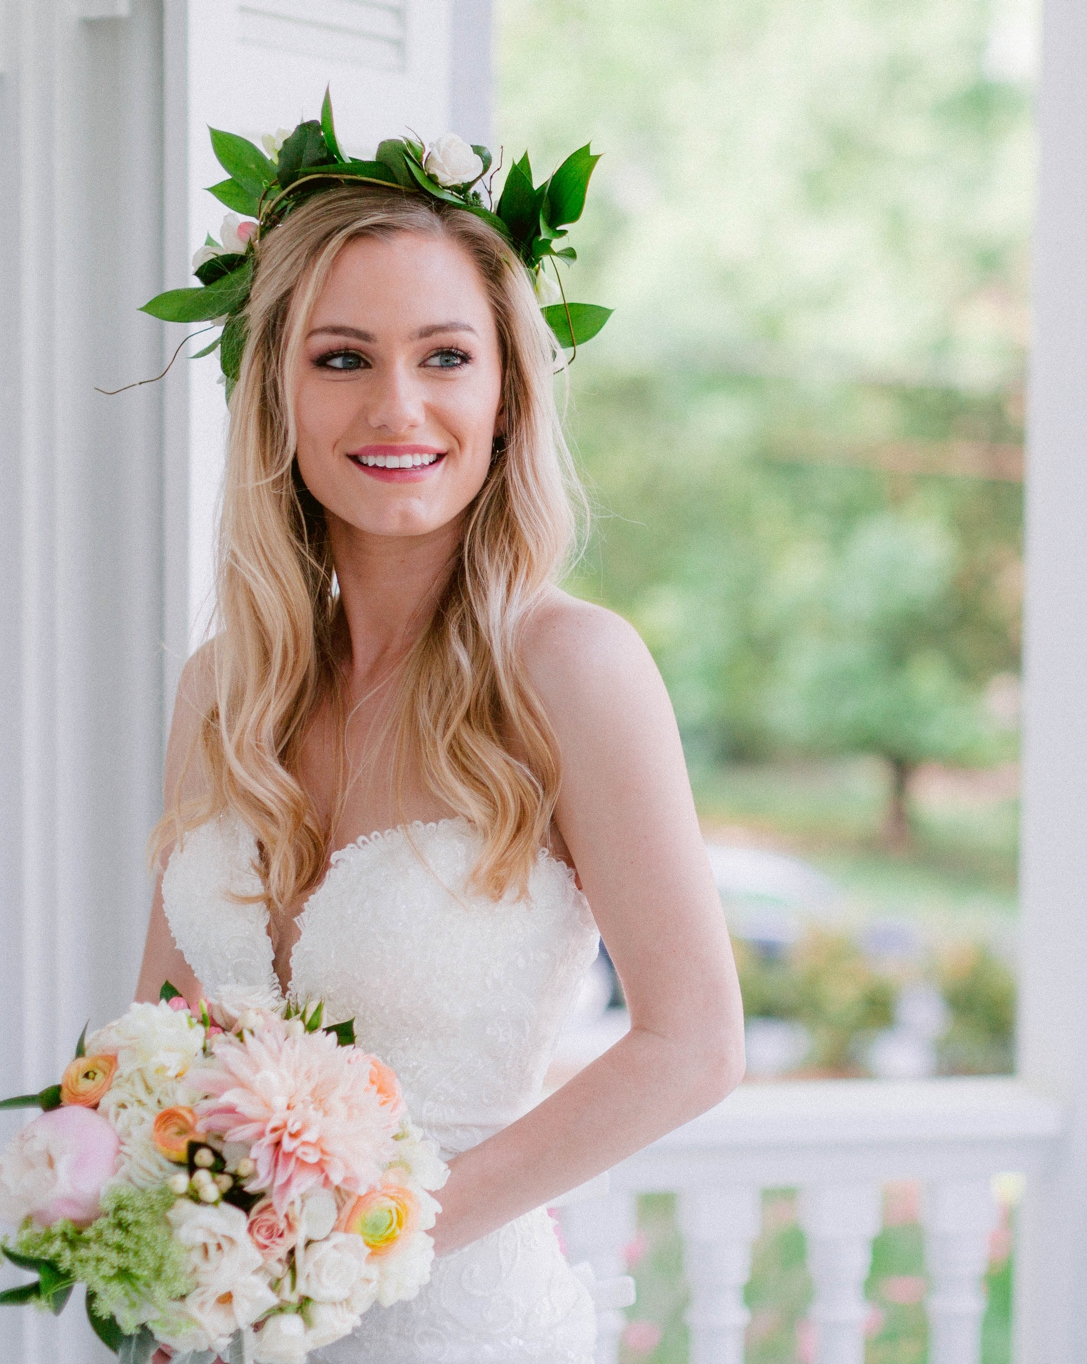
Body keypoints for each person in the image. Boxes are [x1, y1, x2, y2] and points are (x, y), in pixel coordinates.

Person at [131, 154, 745, 1360]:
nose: (397, 408)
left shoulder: (573, 670)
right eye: (344, 357)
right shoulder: (221, 689)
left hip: (462, 1326)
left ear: (508, 394)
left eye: (446, 356)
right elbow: (167, 1025)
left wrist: (362, 1235)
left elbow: (694, 1044)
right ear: (278, 398)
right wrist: (172, 1257)